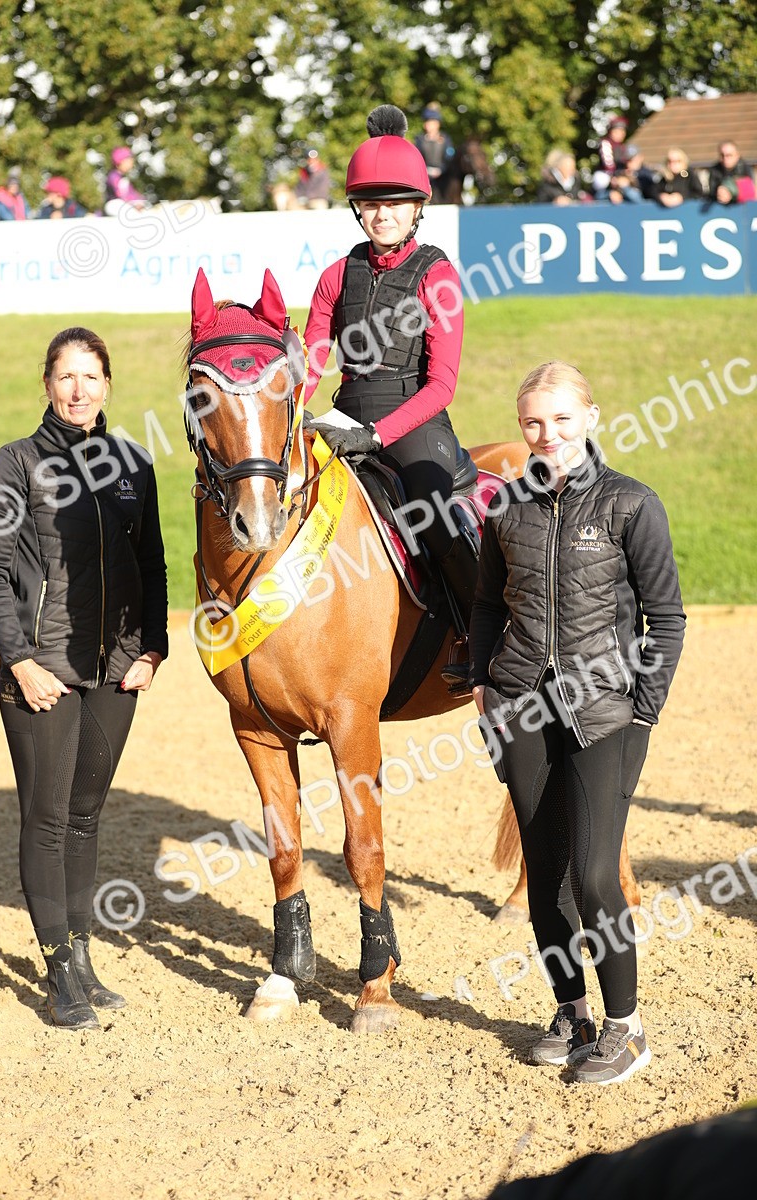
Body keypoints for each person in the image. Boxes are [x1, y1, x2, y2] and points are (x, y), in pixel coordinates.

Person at [469, 361, 685, 1084]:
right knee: (547, 877)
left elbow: (667, 619)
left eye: (562, 419)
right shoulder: (506, 506)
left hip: (606, 713)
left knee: (596, 876)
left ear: (590, 418)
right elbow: (487, 607)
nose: (547, 435)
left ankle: (626, 1029)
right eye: (533, 422)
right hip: (523, 706)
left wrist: (643, 712)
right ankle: (573, 1012)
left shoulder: (632, 504)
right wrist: (482, 686)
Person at [0, 327, 168, 1031]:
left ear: (107, 385)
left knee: (86, 814)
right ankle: (57, 972)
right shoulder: (14, 463)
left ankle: (82, 957)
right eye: (66, 377)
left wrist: (154, 648)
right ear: (47, 385)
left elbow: (154, 562)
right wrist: (19, 661)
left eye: (91, 377)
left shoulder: (133, 465)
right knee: (48, 818)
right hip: (43, 671)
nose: (79, 390)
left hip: (115, 671)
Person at [303, 103, 475, 684]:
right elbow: (312, 362)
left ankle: (475, 634)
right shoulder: (335, 275)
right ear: (357, 207)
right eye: (371, 203)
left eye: (395, 203)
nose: (382, 215)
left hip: (413, 423)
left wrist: (375, 435)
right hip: (344, 415)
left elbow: (443, 384)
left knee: (434, 513)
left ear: (417, 208)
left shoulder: (437, 275)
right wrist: (295, 412)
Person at [413, 102, 455, 204]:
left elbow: (450, 156)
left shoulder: (445, 139)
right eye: (427, 122)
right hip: (425, 177)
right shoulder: (419, 139)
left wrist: (441, 169)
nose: (429, 125)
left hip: (443, 178)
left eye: (432, 122)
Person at [593, 115, 630, 198]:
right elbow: (608, 164)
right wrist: (615, 177)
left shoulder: (622, 147)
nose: (622, 134)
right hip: (605, 175)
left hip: (618, 176)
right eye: (619, 131)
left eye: (623, 131)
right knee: (602, 180)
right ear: (612, 132)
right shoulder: (605, 143)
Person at [707, 141, 756, 205]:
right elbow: (712, 193)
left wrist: (730, 193)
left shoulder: (745, 169)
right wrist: (719, 194)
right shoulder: (714, 170)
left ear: (737, 155)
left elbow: (750, 192)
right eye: (722, 155)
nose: (725, 159)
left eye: (729, 155)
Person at [105, 146, 146, 215]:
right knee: (117, 205)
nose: (131, 164)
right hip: (114, 205)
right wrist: (134, 204)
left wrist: (140, 201)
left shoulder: (123, 178)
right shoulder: (114, 176)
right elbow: (121, 194)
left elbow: (132, 194)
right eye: (128, 161)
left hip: (126, 204)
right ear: (119, 163)